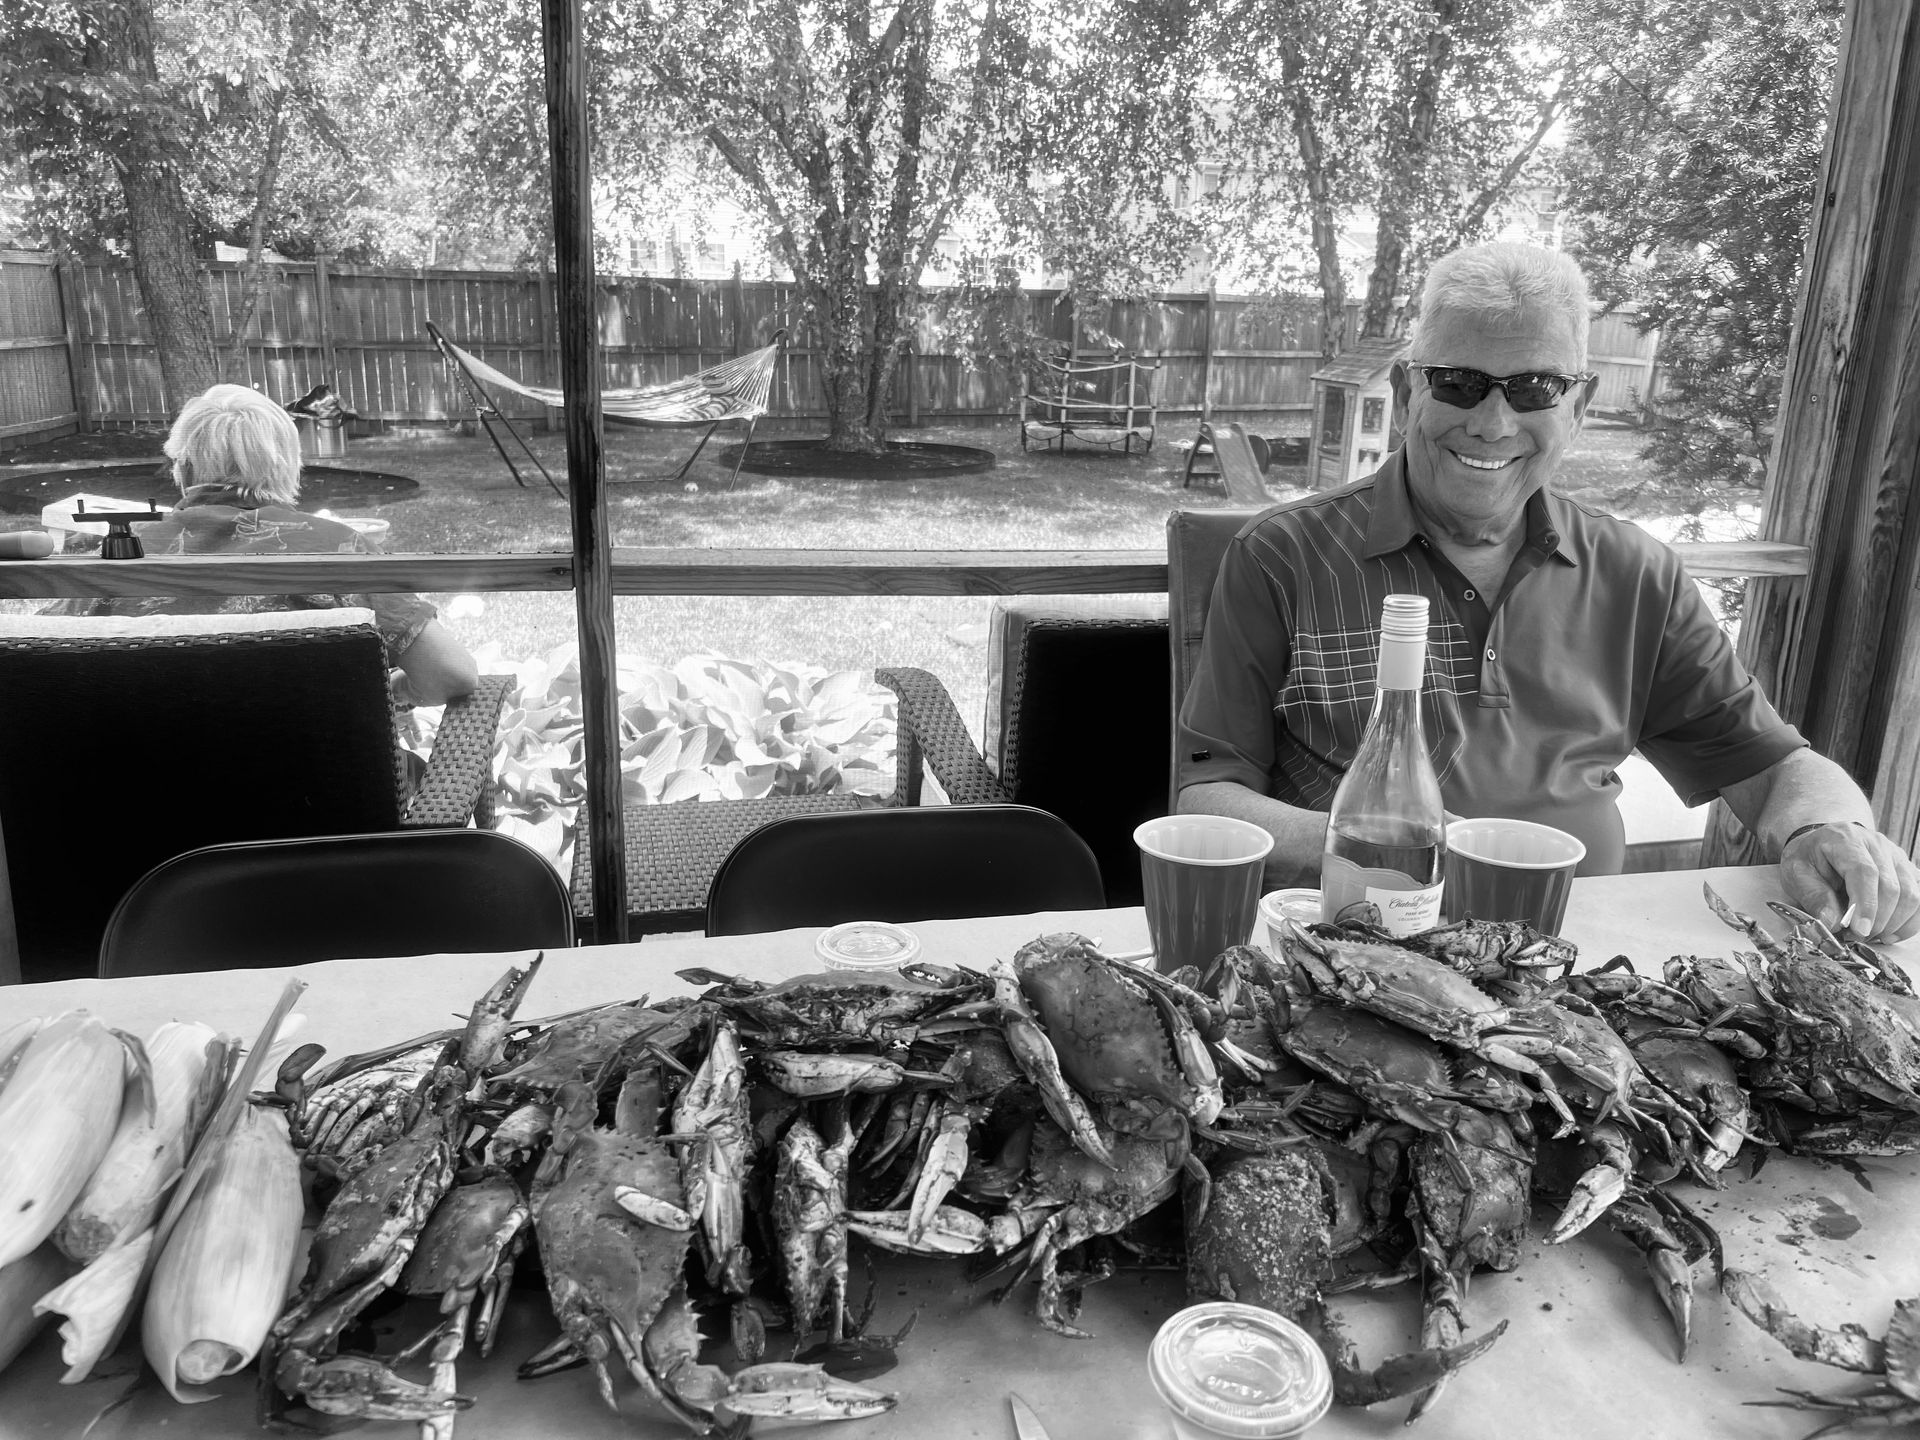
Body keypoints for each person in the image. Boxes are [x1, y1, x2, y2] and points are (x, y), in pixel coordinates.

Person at [1177, 241, 1920, 942]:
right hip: (1366, 944)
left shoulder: (1636, 572)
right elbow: (1208, 799)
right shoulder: (1283, 555)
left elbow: (1776, 769)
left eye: (1535, 388)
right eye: (1458, 383)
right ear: (1410, 388)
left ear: (1579, 404)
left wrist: (1832, 831)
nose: (1493, 422)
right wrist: (1409, 851)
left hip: (1581, 955)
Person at [53, 383, 479, 707]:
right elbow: (450, 675)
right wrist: (392, 690)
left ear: (181, 468)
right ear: (287, 470)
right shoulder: (339, 550)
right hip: (330, 816)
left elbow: (26, 664)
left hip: (132, 817)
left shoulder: (121, 553)